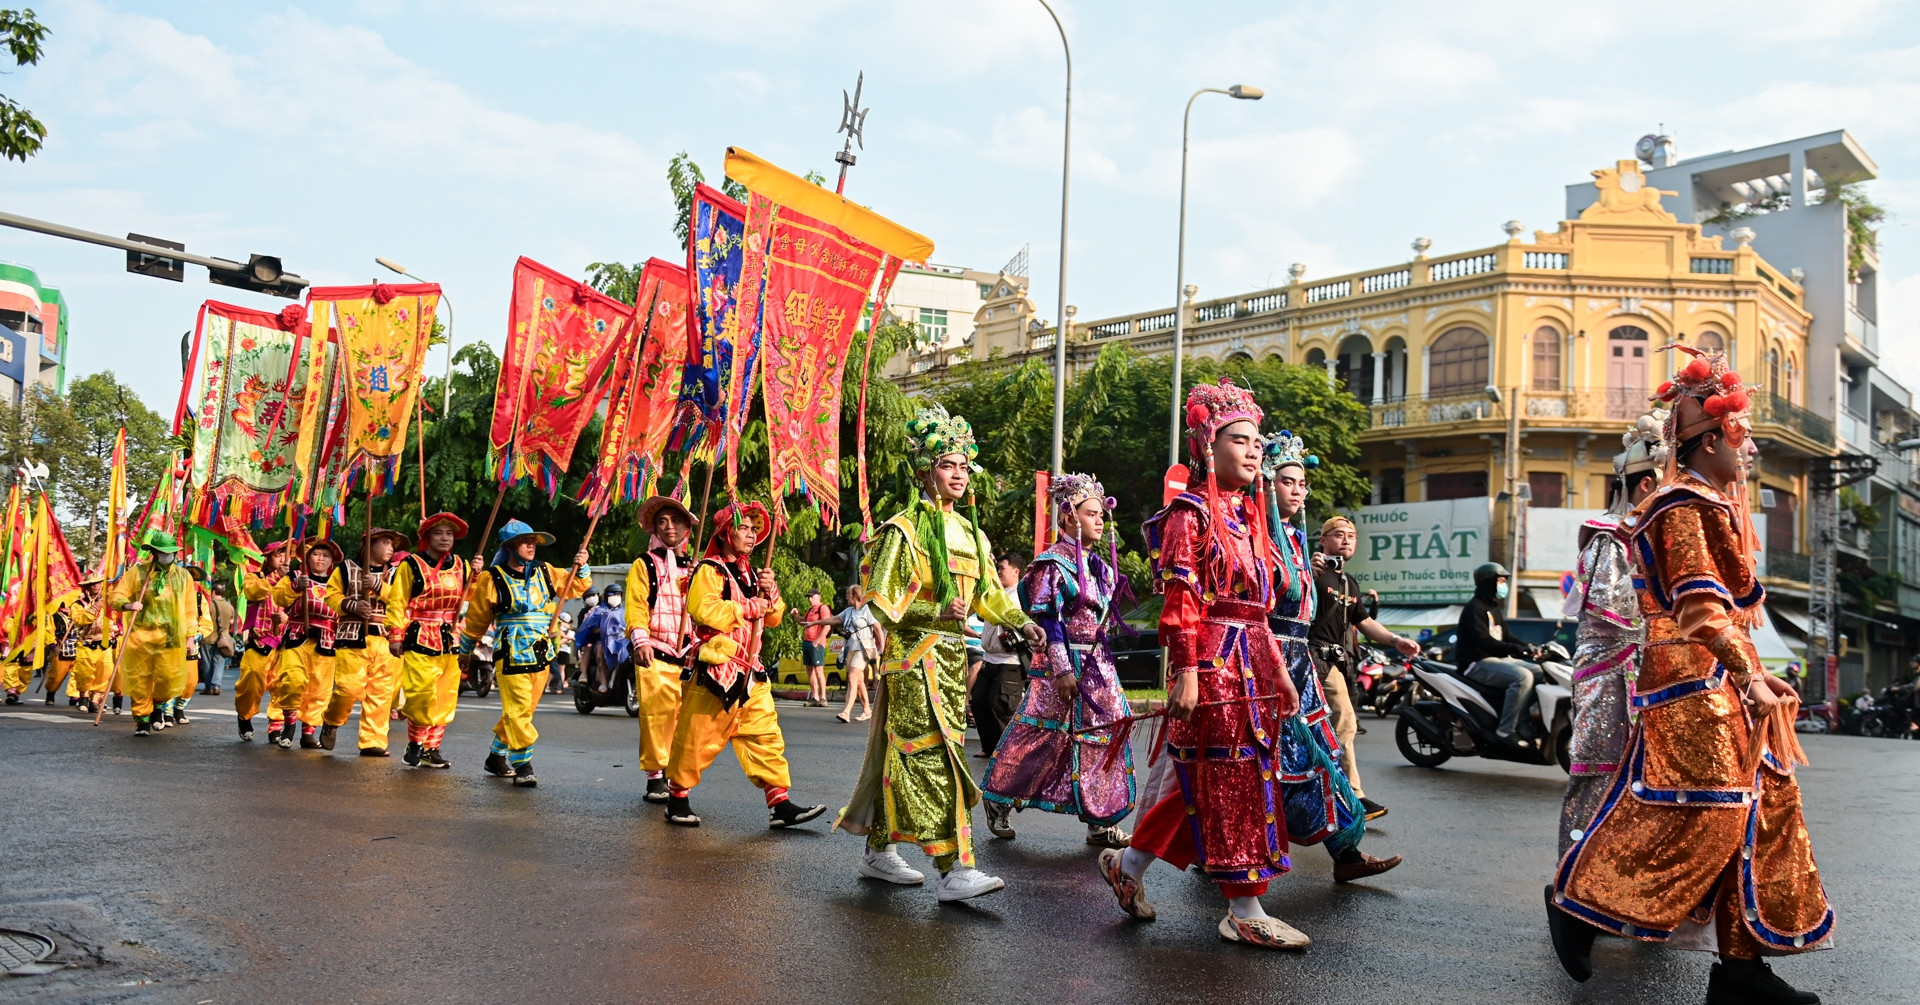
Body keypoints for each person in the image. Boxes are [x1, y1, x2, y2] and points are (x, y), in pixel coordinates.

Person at [1550, 346, 1831, 1005]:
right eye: (1744, 435)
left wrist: (1756, 673)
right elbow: (1703, 611)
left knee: (1749, 814)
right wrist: (1750, 674)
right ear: (1709, 443)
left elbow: (1725, 615)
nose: (1753, 449)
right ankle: (1579, 904)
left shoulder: (1708, 502)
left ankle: (1740, 970)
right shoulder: (1684, 507)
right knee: (1703, 818)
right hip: (1690, 685)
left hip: (1716, 681)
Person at [1096, 379, 1309, 950]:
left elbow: (1260, 612)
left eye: (1257, 441)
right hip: (1213, 665)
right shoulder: (1190, 515)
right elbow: (1182, 602)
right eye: (1239, 440)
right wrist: (1186, 671)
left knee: (1200, 778)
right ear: (1208, 449)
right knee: (1231, 776)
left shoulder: (1253, 520)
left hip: (1253, 664)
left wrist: (1280, 674)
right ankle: (1244, 907)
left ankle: (1129, 865)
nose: (1253, 449)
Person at [836, 404, 1043, 902]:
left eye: (963, 466)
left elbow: (988, 596)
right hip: (914, 660)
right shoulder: (904, 530)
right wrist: (931, 606)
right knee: (934, 758)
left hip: (953, 661)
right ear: (926, 472)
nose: (958, 474)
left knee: (909, 755)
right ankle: (955, 866)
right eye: (948, 465)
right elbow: (880, 605)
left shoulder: (972, 533)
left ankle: (878, 848)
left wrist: (1022, 621)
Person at [1263, 433, 1404, 883]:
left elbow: (1363, 623)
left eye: (1302, 483)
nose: (1298, 490)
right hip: (1264, 664)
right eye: (1288, 481)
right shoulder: (1257, 538)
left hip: (1301, 665)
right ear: (1268, 485)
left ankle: (1346, 853)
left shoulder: (1318, 559)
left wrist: (1397, 641)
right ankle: (1225, 857)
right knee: (1263, 765)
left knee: (1321, 756)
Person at [982, 473, 1135, 848]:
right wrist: (1064, 669)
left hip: (1097, 665)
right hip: (1059, 666)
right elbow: (1049, 621)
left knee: (1107, 734)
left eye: (1102, 514)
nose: (1099, 520)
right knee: (1041, 735)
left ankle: (1100, 819)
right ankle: (998, 796)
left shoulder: (1096, 565)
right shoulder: (1052, 563)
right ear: (1068, 518)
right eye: (1091, 513)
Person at [664, 501, 825, 828]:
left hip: (751, 670)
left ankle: (779, 803)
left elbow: (776, 616)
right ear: (725, 533)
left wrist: (771, 592)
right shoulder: (710, 569)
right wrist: (750, 606)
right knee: (697, 736)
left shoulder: (756, 572)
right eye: (744, 528)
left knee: (765, 735)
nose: (752, 535)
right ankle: (676, 797)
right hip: (717, 669)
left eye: (755, 529)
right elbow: (702, 609)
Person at [1555, 414, 1662, 858]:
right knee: (1598, 768)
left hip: (1641, 672)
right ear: (1643, 486)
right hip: (1609, 674)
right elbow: (1616, 607)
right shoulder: (1608, 537)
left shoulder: (1644, 535)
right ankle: (1576, 871)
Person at [462, 519, 592, 789]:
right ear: (510, 547)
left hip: (541, 651)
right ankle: (523, 764)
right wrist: (465, 650)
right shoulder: (492, 578)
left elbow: (575, 586)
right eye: (525, 541)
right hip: (510, 652)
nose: (531, 546)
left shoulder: (545, 571)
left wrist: (583, 564)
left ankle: (496, 756)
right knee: (518, 709)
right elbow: (476, 619)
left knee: (522, 710)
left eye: (533, 542)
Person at [1309, 513, 1420, 819]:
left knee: (1324, 727)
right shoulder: (1313, 571)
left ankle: (1316, 792)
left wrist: (1396, 640)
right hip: (1312, 658)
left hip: (1339, 662)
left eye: (1351, 536)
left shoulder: (1349, 583)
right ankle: (1354, 796)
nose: (1346, 539)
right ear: (1324, 540)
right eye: (1339, 534)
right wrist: (1306, 571)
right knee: (1344, 721)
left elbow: (1366, 622)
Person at [625, 495, 697, 804]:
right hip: (656, 651)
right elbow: (636, 605)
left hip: (691, 654)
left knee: (687, 720)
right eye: (663, 522)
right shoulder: (644, 564)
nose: (670, 526)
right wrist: (639, 640)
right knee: (657, 716)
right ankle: (655, 776)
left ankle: (677, 775)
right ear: (655, 529)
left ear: (686, 528)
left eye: (676, 521)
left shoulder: (698, 566)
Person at [387, 512, 472, 770]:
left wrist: (476, 575)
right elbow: (397, 601)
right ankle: (415, 742)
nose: (445, 538)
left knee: (445, 697)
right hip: (420, 635)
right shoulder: (411, 565)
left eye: (449, 534)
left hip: (451, 637)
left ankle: (431, 749)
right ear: (427, 537)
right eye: (438, 533)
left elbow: (475, 597)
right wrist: (394, 634)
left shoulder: (463, 565)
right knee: (420, 694)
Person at [322, 528, 407, 755]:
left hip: (386, 638)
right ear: (369, 544)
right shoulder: (346, 569)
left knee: (381, 693)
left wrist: (380, 587)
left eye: (393, 545)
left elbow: (405, 599)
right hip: (353, 636)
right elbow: (330, 596)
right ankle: (331, 719)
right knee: (349, 689)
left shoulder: (399, 573)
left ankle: (373, 741)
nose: (391, 549)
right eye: (386, 543)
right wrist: (352, 605)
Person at [108, 530, 200, 737]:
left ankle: (159, 706)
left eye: (170, 553)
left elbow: (189, 609)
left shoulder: (183, 576)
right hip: (141, 637)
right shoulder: (138, 573)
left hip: (170, 638)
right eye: (162, 552)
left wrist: (190, 636)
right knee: (141, 680)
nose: (167, 557)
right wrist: (129, 604)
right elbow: (116, 595)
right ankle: (142, 721)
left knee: (168, 679)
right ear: (154, 553)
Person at [1456, 562, 1545, 743]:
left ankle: (1522, 722)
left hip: (1497, 660)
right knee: (1522, 677)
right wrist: (1517, 649)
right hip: (1476, 663)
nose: (1503, 585)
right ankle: (1505, 731)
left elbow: (1507, 636)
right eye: (1501, 581)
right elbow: (1485, 641)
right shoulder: (1474, 608)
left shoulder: (1493, 607)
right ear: (1488, 582)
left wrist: (1530, 647)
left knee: (1540, 672)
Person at [270, 539, 345, 750]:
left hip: (327, 639)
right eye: (316, 554)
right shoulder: (295, 576)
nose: (320, 559)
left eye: (326, 556)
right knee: (293, 679)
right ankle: (290, 722)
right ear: (307, 557)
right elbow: (278, 597)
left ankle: (309, 731)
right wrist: (295, 587)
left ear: (332, 561)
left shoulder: (337, 583)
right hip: (297, 635)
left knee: (319, 689)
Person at [969, 554, 1027, 759]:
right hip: (990, 658)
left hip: (1010, 662)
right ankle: (990, 747)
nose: (998, 572)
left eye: (1001, 568)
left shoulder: (1021, 596)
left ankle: (1008, 751)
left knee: (1000, 705)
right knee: (978, 701)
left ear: (1015, 571)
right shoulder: (995, 594)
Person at [235, 540, 291, 742]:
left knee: (282, 685)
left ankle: (276, 724)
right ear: (268, 558)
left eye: (287, 555)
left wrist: (287, 619)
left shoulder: (292, 580)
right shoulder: (253, 577)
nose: (284, 559)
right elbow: (253, 592)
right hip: (260, 640)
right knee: (251, 681)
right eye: (278, 554)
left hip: (285, 641)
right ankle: (245, 715)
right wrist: (276, 577)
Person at [831, 584, 879, 724]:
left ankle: (846, 712)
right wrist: (813, 623)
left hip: (863, 649)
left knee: (852, 677)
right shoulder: (849, 611)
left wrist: (881, 645)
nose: (846, 597)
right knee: (858, 681)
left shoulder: (866, 610)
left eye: (848, 595)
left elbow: (877, 628)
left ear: (854, 596)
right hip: (851, 649)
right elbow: (833, 619)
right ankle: (867, 710)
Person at [798, 588, 832, 707]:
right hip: (807, 641)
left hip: (817, 643)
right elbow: (803, 622)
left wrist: (817, 641)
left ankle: (823, 697)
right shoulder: (810, 609)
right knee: (809, 670)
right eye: (809, 597)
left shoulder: (823, 608)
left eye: (812, 597)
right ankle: (815, 696)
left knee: (818, 670)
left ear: (818, 597)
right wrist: (796, 615)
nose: (810, 599)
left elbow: (827, 626)